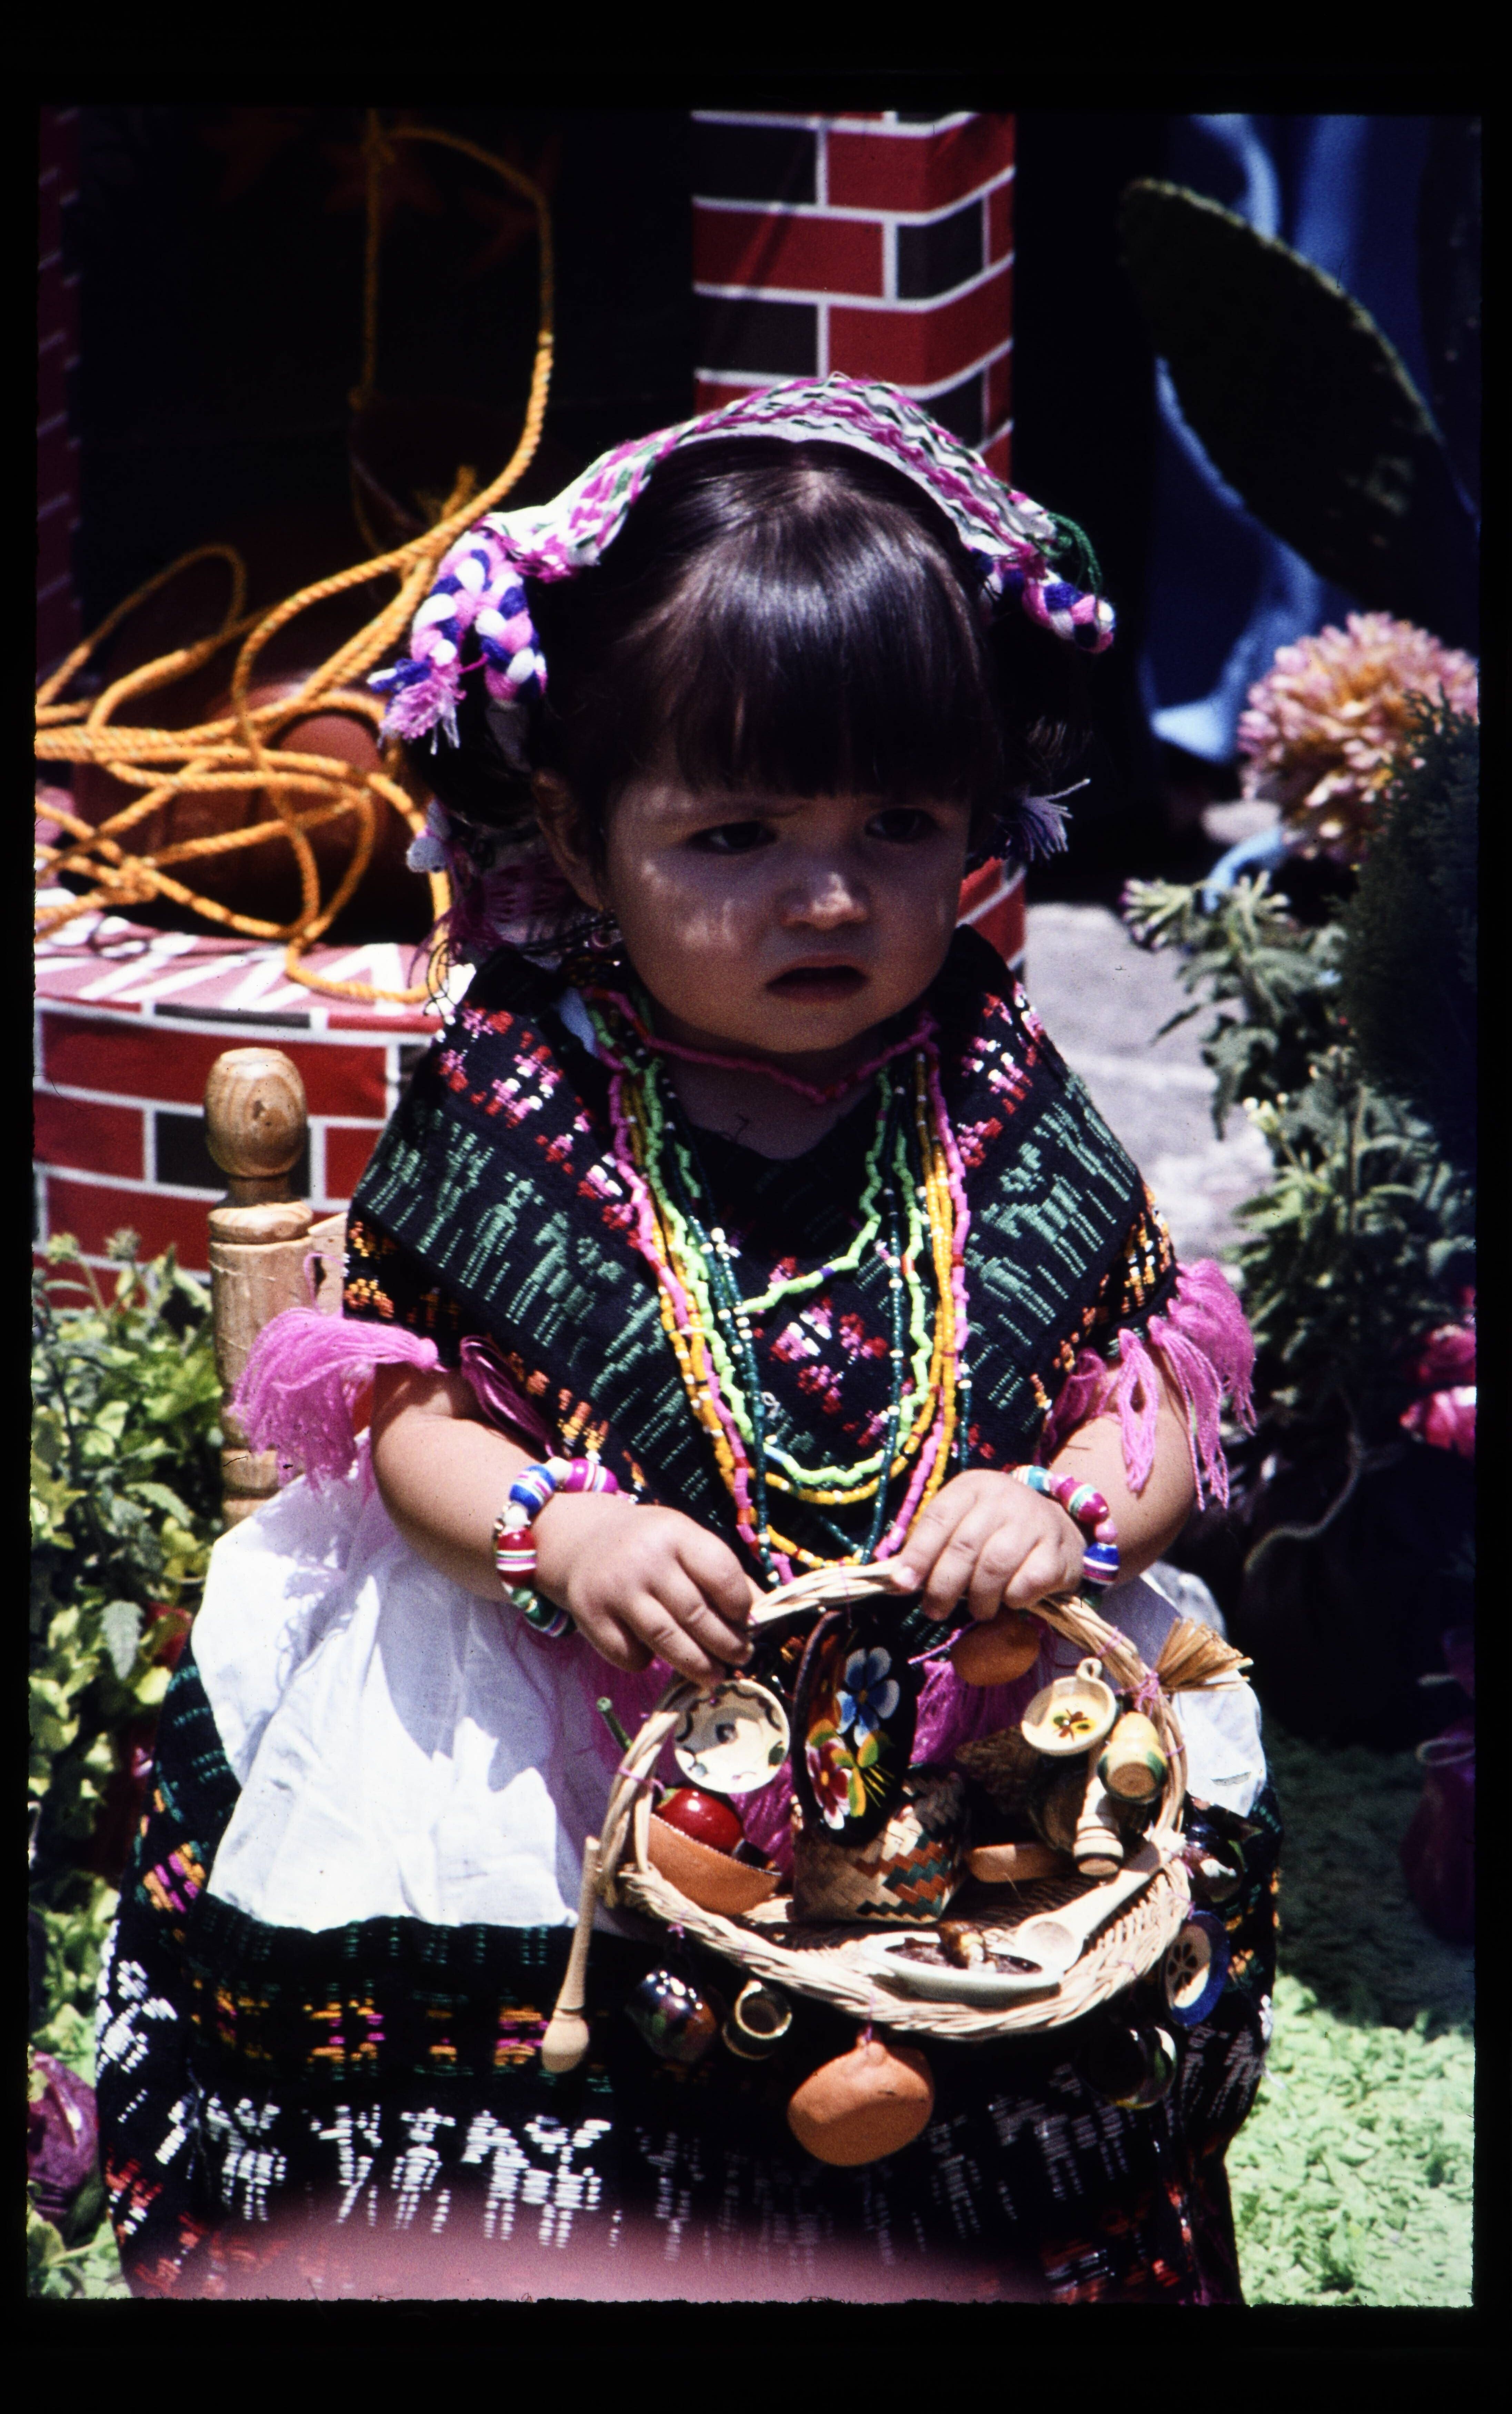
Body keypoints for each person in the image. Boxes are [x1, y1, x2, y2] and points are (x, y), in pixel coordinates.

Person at [95, 376, 1278, 2303]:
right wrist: (552, 1528)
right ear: (577, 835)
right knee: (565, 2138)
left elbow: (1153, 1388)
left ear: (982, 819)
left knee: (996, 2109)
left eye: (900, 824)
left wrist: (1071, 1513)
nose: (829, 893)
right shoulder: (514, 1091)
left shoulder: (990, 1082)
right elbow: (397, 1410)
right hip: (552, 1744)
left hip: (961, 1753)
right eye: (733, 833)